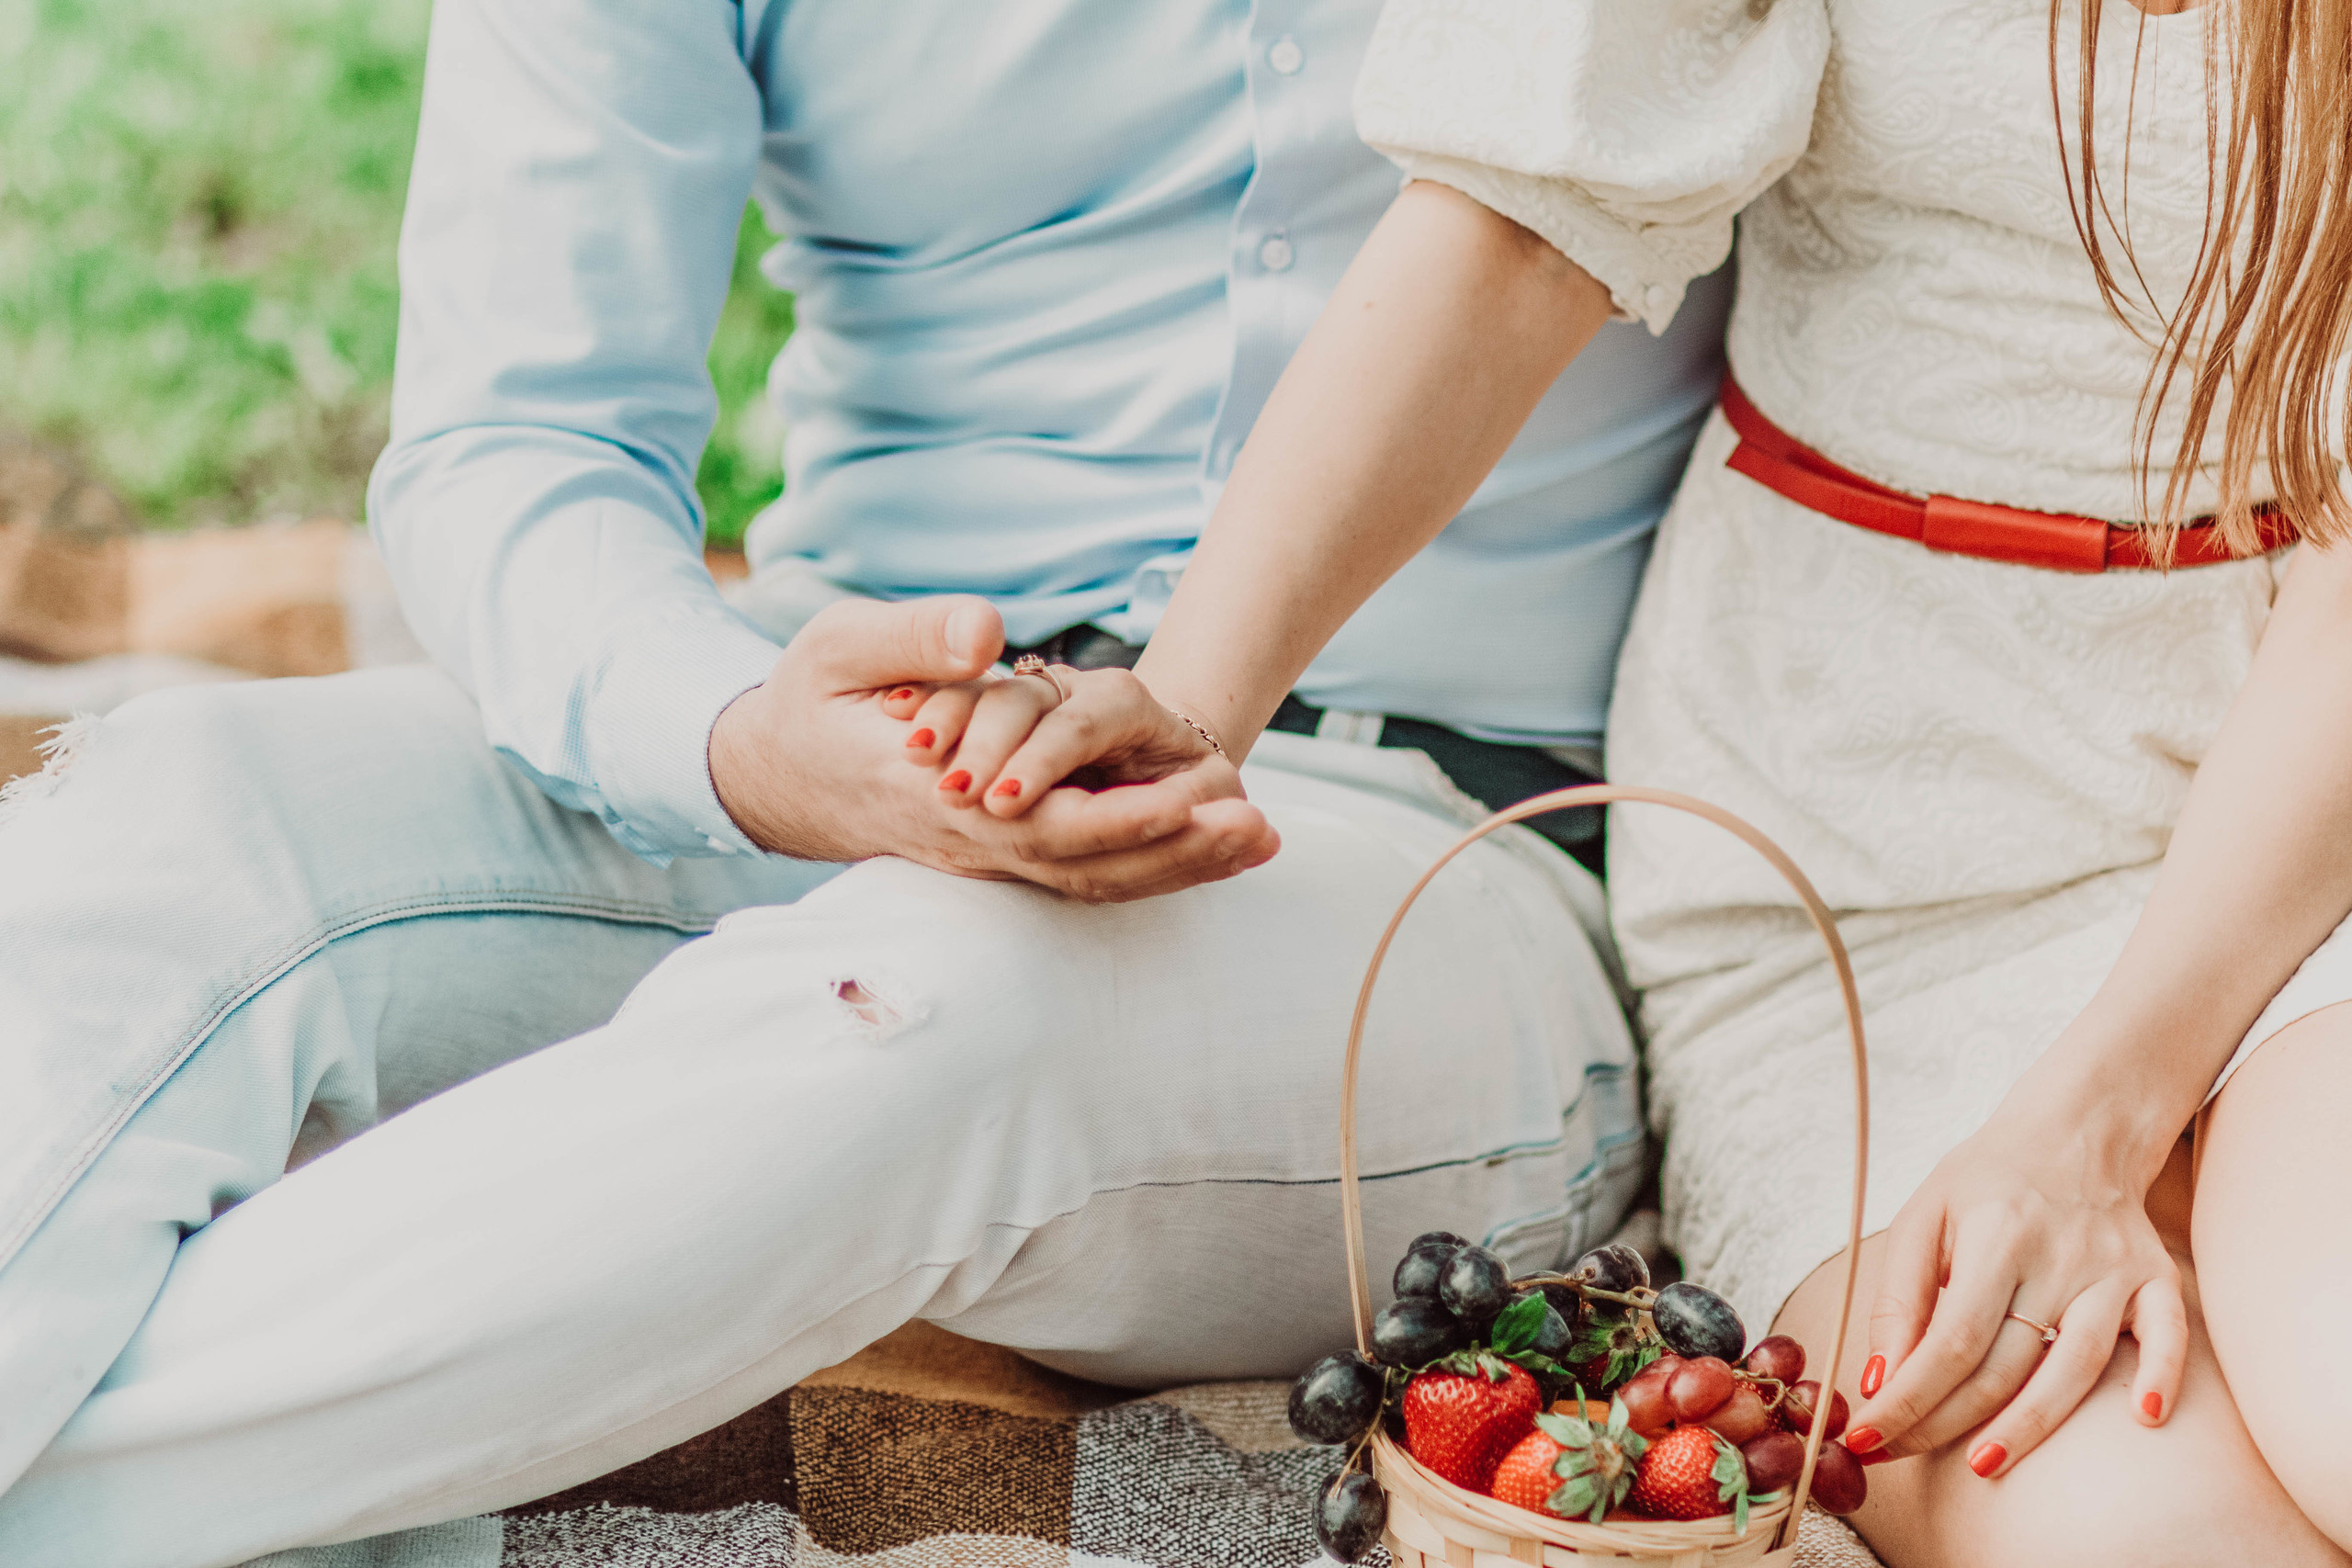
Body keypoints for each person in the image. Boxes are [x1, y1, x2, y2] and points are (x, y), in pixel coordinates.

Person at [0, 2, 1736, 1562]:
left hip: (1417, 839)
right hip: (852, 726)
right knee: (175, 799)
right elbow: (516, 440)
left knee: (911, 1005)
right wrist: (741, 739)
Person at [931, 0, 2352, 1562]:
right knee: (2147, 1533)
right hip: (1860, 875)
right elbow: (1521, 223)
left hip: (2308, 833)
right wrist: (1194, 706)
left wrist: (2090, 1130)